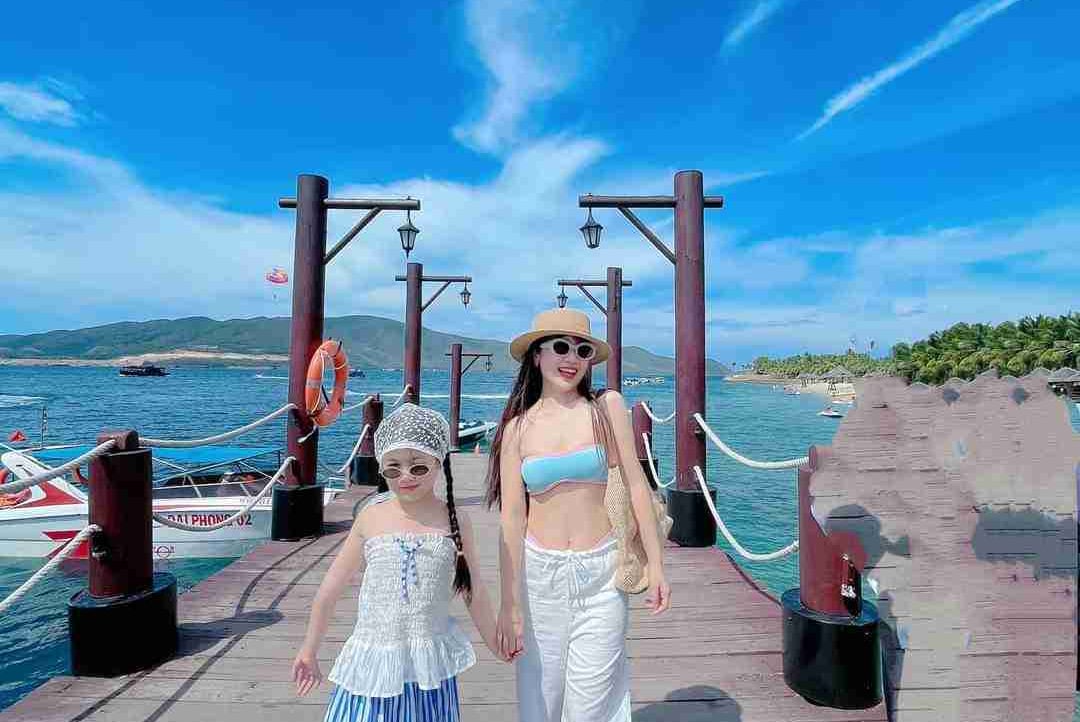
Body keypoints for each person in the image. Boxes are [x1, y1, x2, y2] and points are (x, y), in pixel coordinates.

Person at [486, 307, 672, 722]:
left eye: (582, 350)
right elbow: (511, 519)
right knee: (541, 699)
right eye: (560, 347)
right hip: (539, 576)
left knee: (592, 704)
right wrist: (508, 604)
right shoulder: (517, 429)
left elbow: (637, 485)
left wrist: (657, 565)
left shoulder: (607, 408)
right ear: (537, 355)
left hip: (601, 573)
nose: (571, 358)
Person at [292, 403, 506, 721]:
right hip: (374, 663)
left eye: (418, 468)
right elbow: (330, 590)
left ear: (438, 462)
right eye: (393, 469)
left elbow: (472, 590)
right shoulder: (371, 517)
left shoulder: (455, 520)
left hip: (427, 669)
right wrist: (309, 649)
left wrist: (495, 643)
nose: (405, 476)